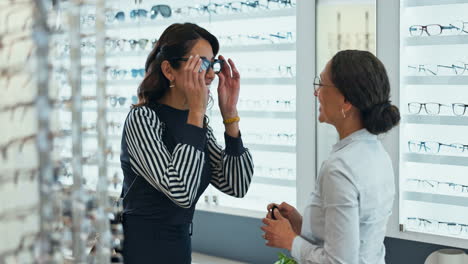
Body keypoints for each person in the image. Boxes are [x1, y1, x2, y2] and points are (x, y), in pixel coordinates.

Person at [120, 23, 254, 263]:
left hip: (179, 247)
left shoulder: (198, 122)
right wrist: (196, 113)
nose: (211, 74)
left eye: (212, 64)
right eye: (200, 64)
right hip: (139, 249)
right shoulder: (143, 118)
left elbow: (237, 185)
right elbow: (180, 190)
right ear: (169, 70)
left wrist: (230, 116)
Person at [261, 50, 400, 264]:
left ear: (345, 101)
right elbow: (359, 237)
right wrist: (303, 225)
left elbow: (339, 262)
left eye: (322, 85)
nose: (316, 93)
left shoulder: (340, 168)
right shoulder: (378, 154)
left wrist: (290, 240)